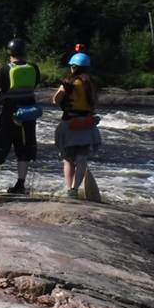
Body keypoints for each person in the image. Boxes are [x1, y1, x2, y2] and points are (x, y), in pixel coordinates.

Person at [0, 38, 41, 194]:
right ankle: (20, 184)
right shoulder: (34, 68)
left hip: (9, 114)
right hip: (28, 115)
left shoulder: (5, 69)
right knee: (24, 149)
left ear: (10, 53)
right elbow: (32, 86)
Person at [52, 51, 102, 198]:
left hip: (70, 123)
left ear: (74, 67)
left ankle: (69, 190)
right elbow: (94, 103)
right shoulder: (92, 83)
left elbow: (56, 100)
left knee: (68, 159)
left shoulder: (69, 82)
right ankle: (74, 189)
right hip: (87, 125)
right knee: (82, 158)